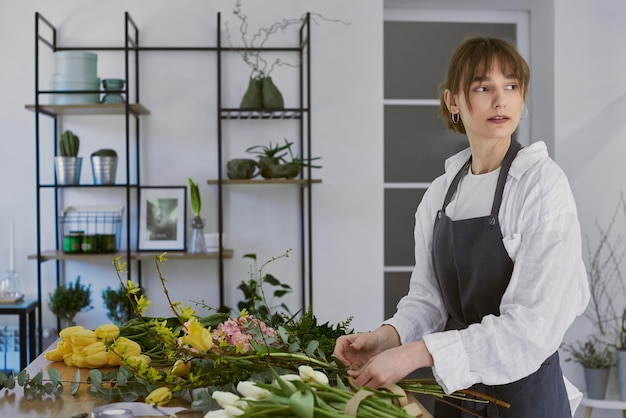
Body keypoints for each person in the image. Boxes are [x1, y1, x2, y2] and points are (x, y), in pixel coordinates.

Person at [334, 36, 590, 417]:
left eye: (511, 86)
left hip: (528, 398)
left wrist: (417, 353)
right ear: (453, 101)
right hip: (460, 394)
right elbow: (428, 300)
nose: (500, 100)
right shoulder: (441, 194)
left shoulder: (542, 184)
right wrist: (385, 338)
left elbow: (532, 326)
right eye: (483, 87)